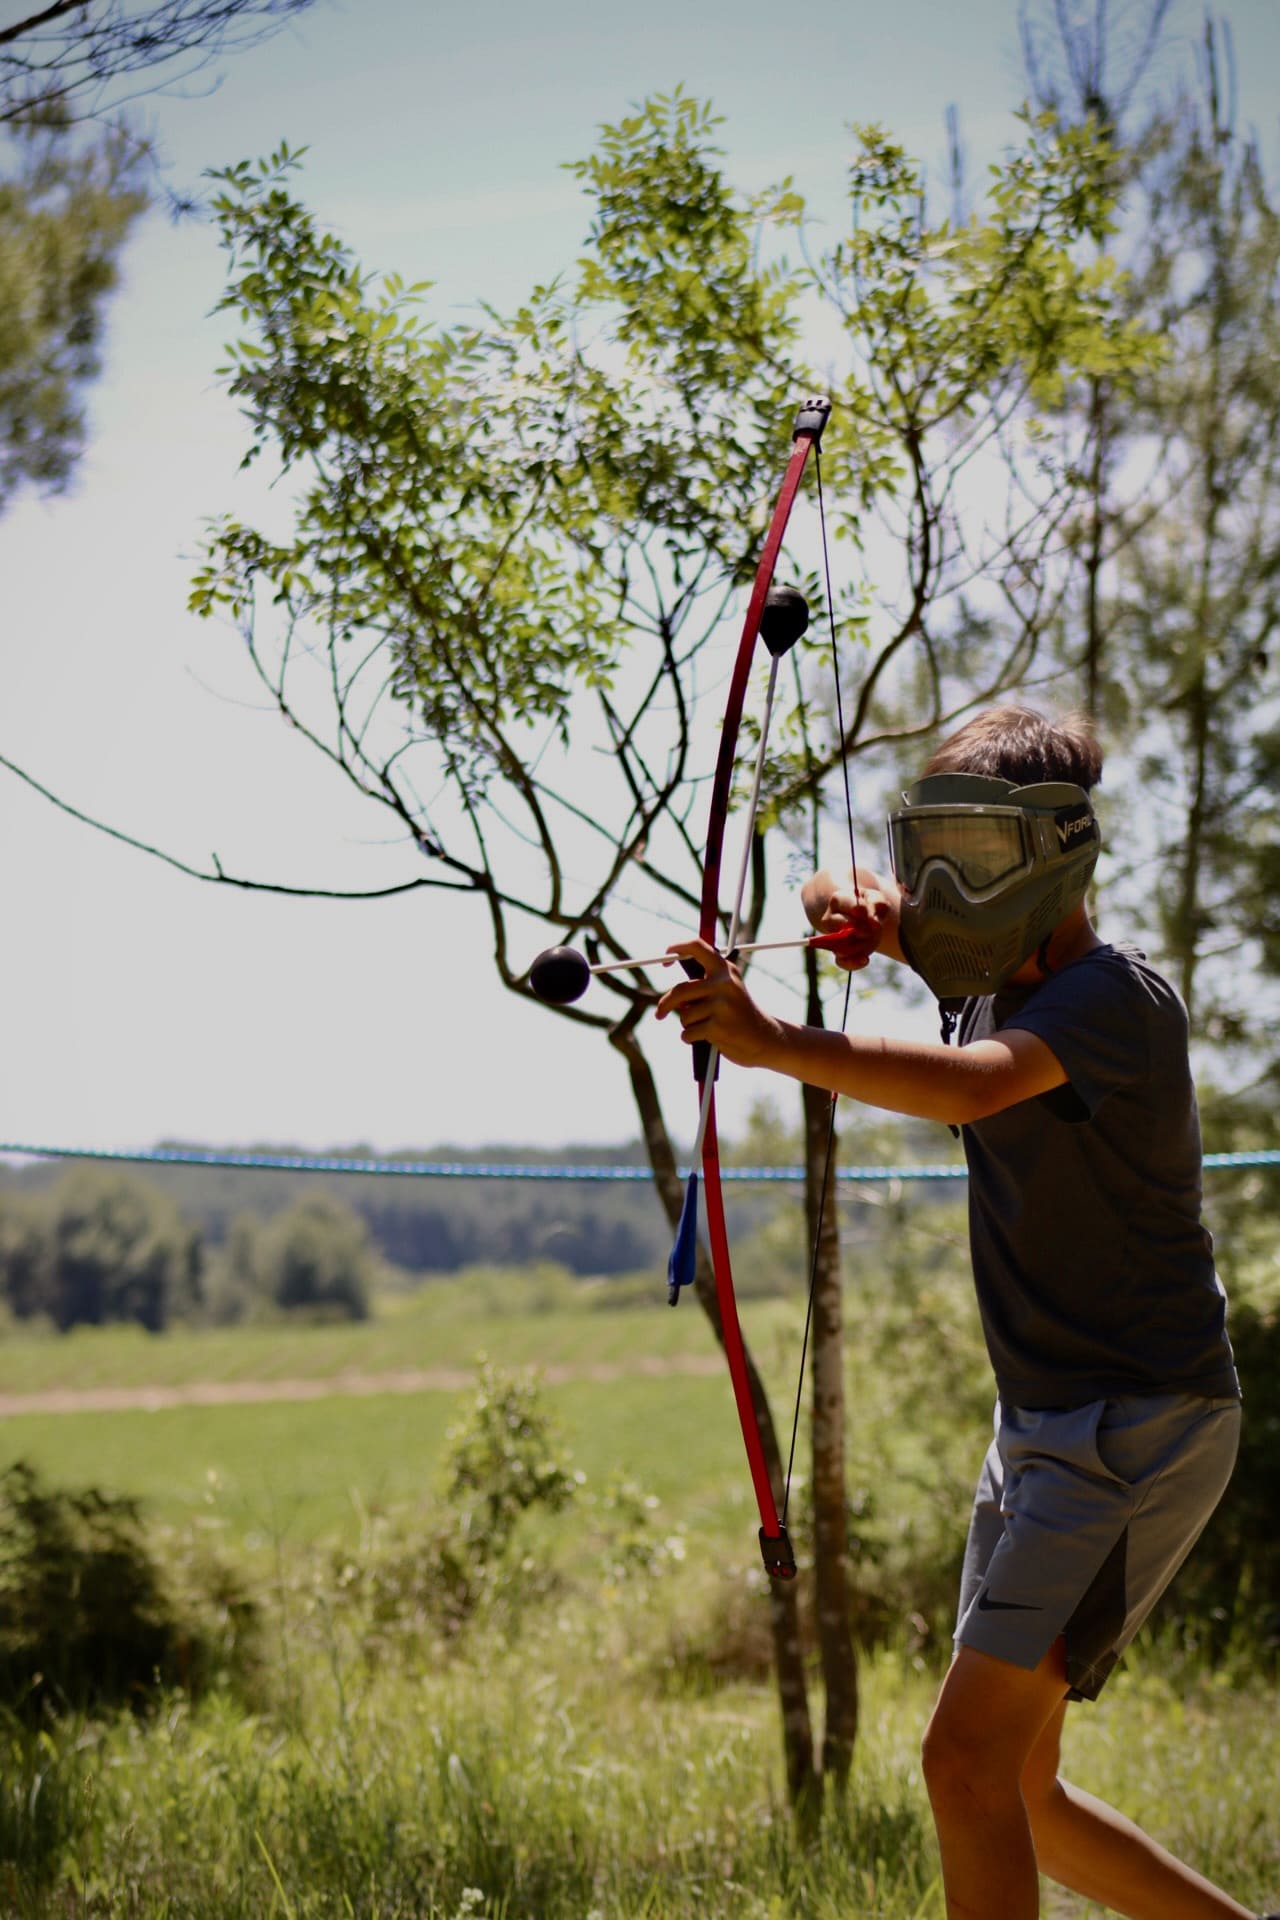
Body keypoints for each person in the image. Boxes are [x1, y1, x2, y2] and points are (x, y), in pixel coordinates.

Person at [656, 706, 1272, 1920]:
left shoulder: (1112, 1003)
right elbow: (845, 882)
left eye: (974, 859)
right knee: (1017, 1790)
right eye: (927, 848)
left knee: (961, 1763)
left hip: (1137, 1430)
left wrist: (776, 1039)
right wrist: (862, 910)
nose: (943, 883)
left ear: (1053, 856)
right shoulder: (985, 980)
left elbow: (977, 1086)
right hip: (1041, 1426)